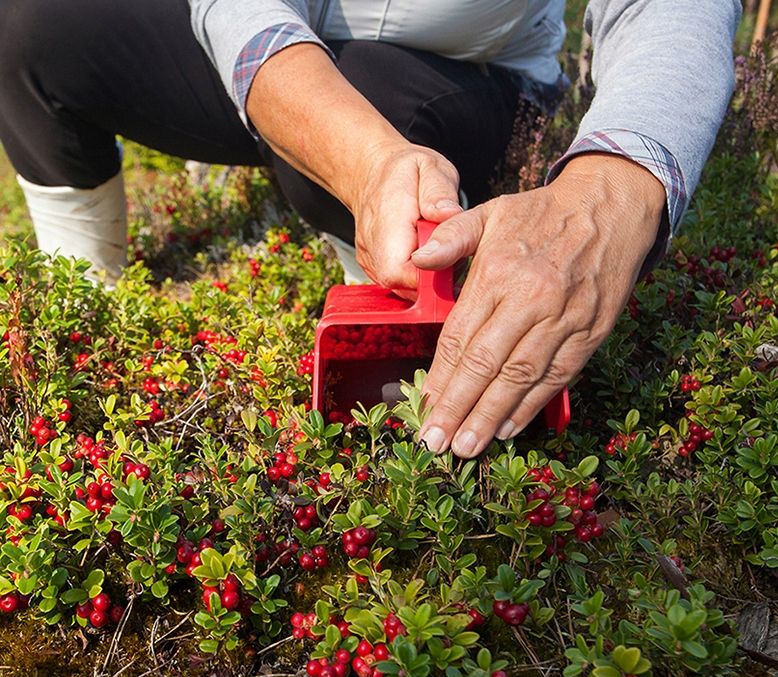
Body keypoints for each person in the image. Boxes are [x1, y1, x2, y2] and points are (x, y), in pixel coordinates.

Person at [0, 0, 740, 458]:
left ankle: (401, 337)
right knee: (32, 25)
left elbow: (670, 7)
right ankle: (85, 303)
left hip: (471, 74)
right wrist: (358, 153)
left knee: (368, 94)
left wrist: (613, 189)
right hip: (296, 42)